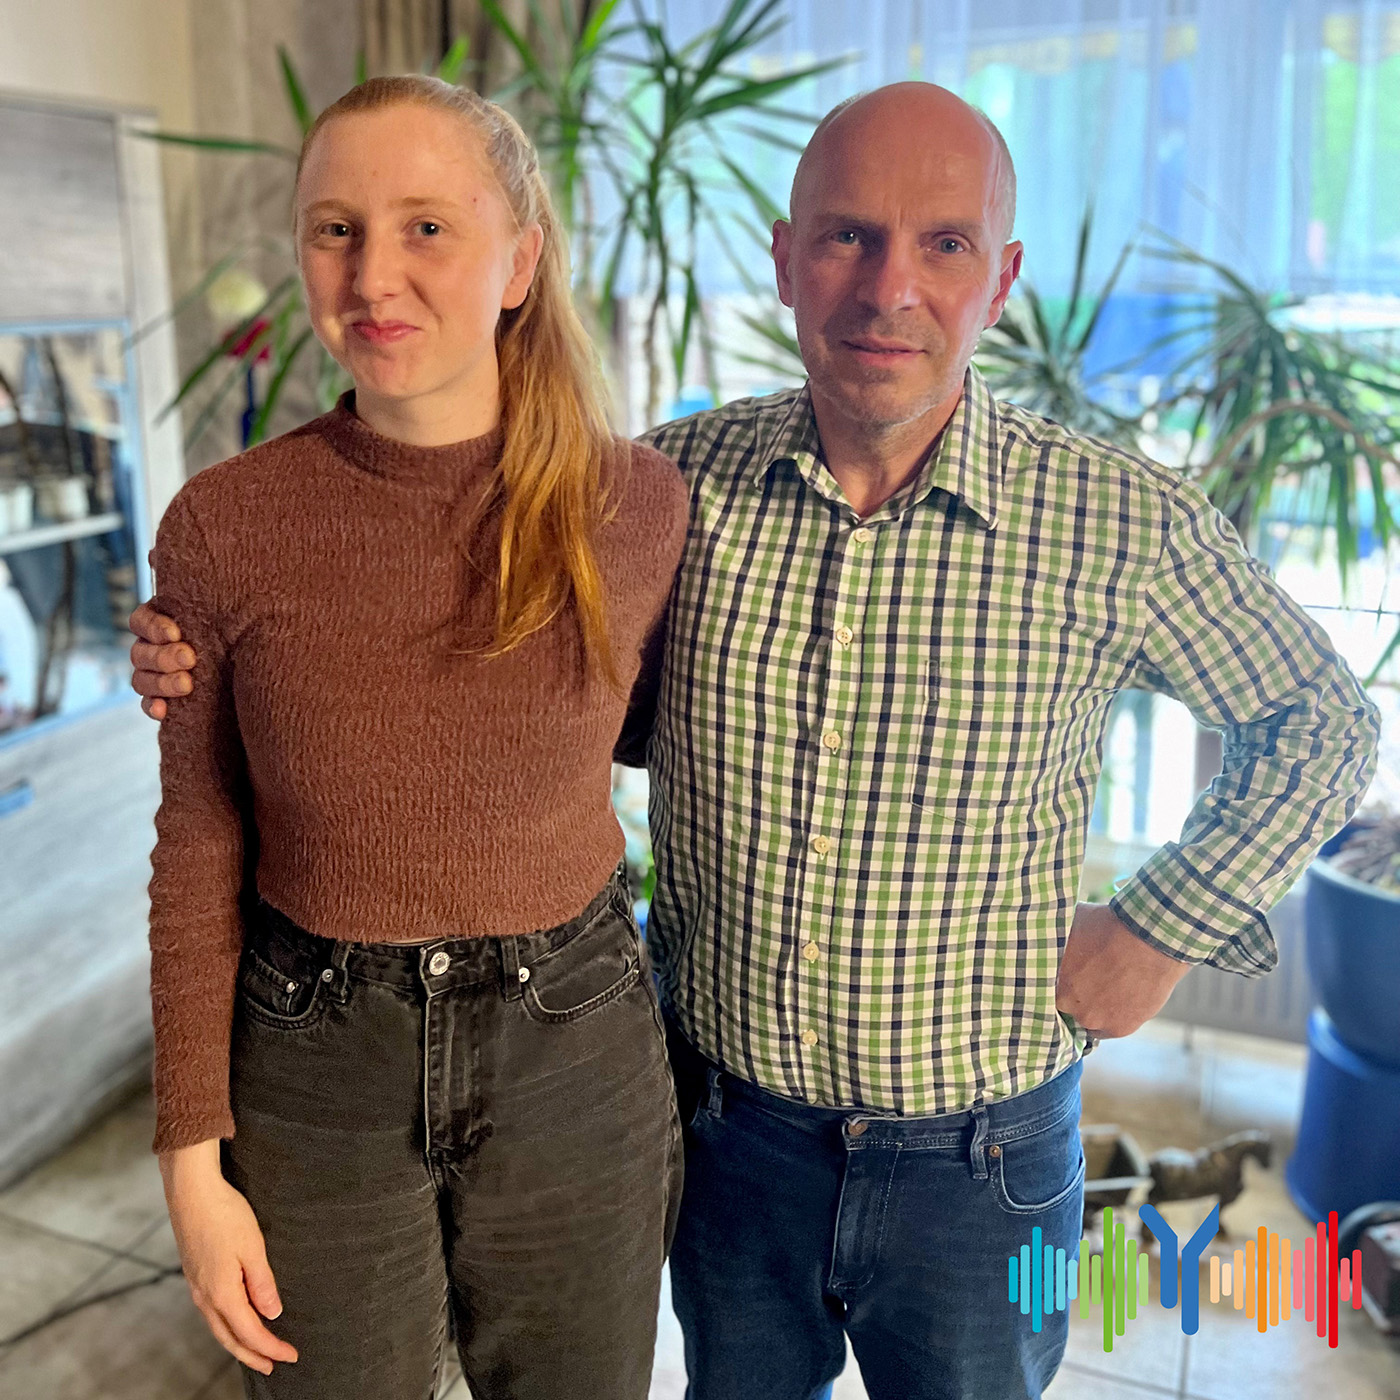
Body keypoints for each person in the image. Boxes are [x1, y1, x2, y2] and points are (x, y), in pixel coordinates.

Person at [132, 83, 1380, 1400]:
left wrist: (1158, 926)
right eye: (845, 237)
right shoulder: (666, 490)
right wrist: (201, 662)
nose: (888, 286)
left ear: (1002, 277)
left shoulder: (1113, 520)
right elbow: (514, 703)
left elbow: (1324, 722)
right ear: (785, 261)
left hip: (985, 1161)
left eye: (944, 244)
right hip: (732, 1140)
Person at [134, 75, 687, 1400]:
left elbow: (647, 735)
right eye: (335, 229)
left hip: (576, 1047)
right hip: (316, 1058)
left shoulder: (637, 507)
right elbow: (199, 840)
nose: (373, 272)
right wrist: (190, 1164)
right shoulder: (224, 526)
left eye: (426, 226)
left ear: (519, 259)